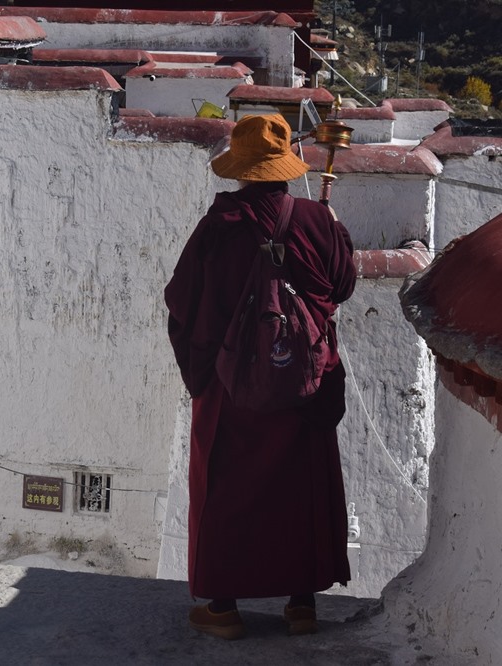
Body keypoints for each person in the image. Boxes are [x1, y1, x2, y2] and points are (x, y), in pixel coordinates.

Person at [163, 113, 357, 640]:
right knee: (301, 484)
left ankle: (222, 608)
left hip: (231, 383)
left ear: (241, 169)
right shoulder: (316, 218)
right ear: (287, 168)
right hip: (303, 381)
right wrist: (330, 229)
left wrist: (204, 365)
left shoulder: (220, 223)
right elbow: (341, 286)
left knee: (226, 484)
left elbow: (181, 300)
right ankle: (300, 606)